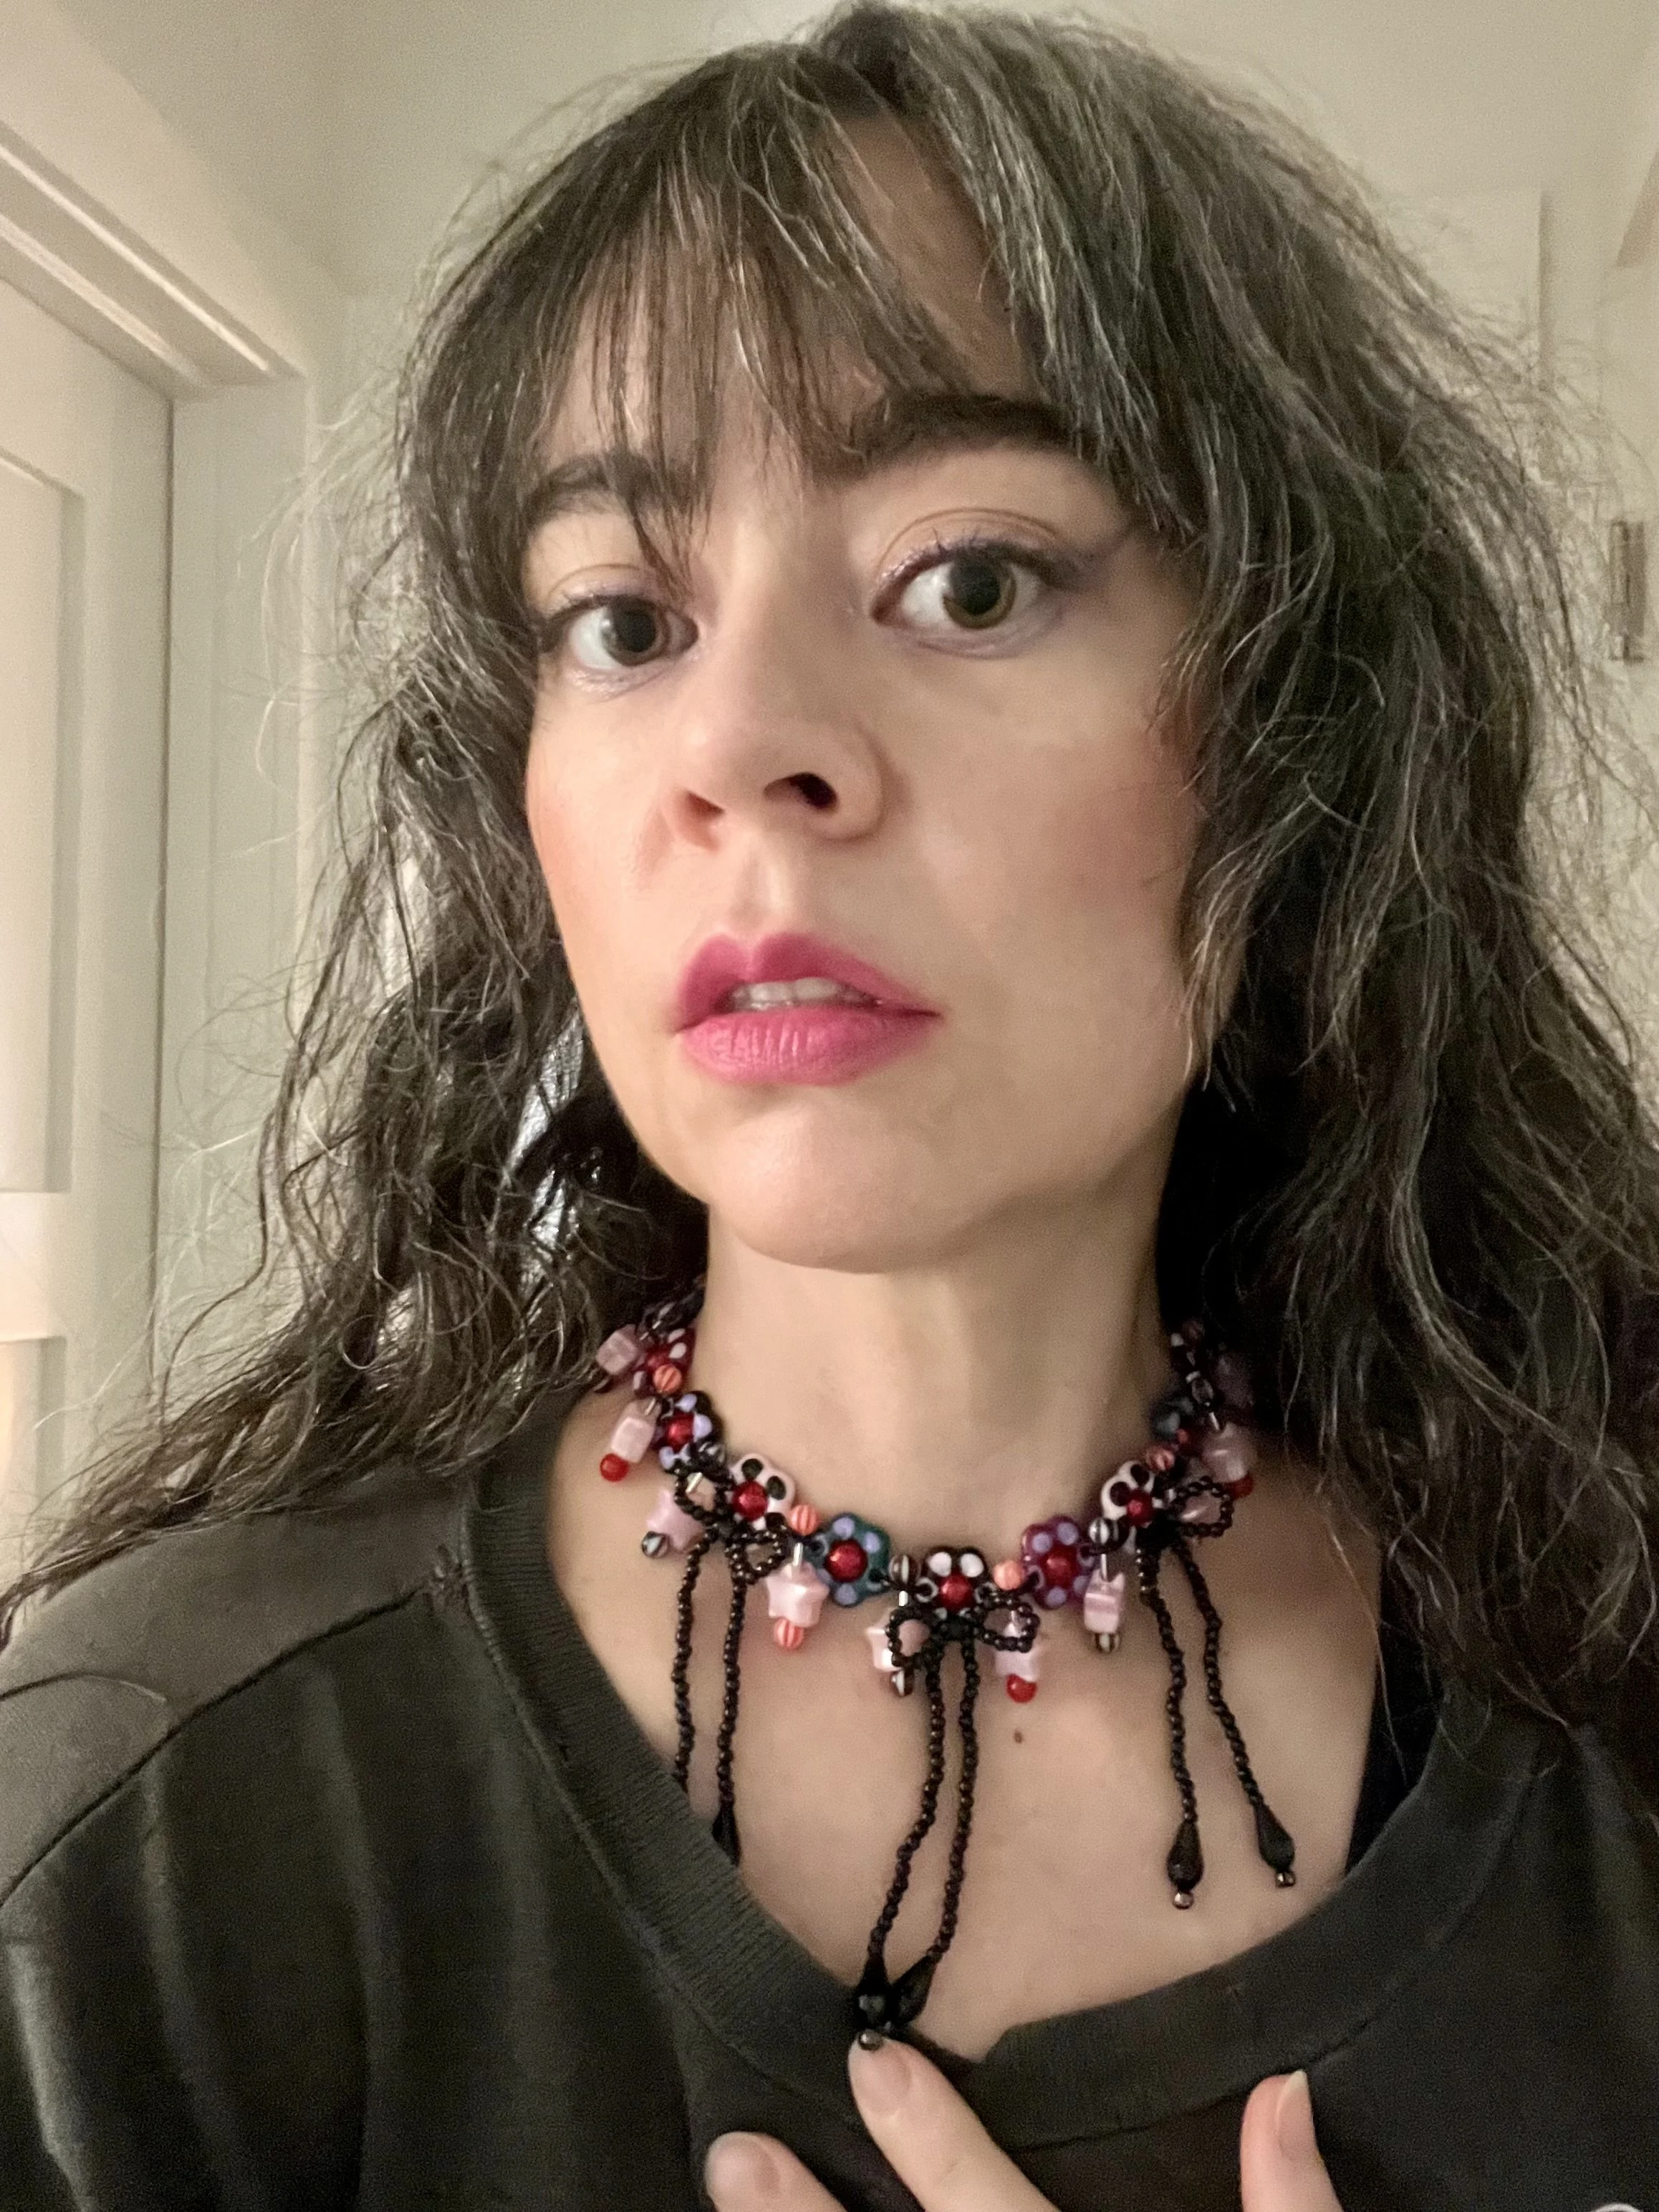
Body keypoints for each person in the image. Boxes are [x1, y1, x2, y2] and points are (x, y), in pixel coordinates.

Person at [3, 4, 1658, 2208]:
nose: (741, 742)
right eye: (618, 620)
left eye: (965, 579)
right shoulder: (165, 1814)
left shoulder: (1602, 1687)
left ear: (1296, 725)